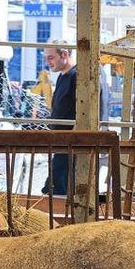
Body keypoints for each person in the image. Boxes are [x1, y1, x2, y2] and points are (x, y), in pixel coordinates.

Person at [42, 42, 77, 195]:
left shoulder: (76, 76)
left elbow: (82, 109)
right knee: (55, 186)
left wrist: (75, 134)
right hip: (63, 141)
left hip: (70, 142)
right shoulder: (63, 76)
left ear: (64, 54)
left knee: (57, 188)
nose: (48, 62)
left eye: (51, 57)